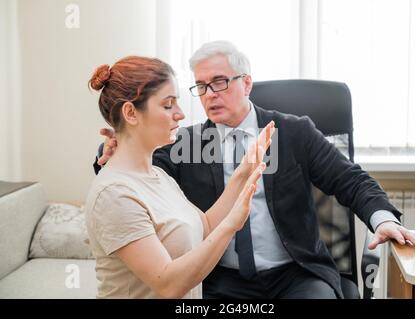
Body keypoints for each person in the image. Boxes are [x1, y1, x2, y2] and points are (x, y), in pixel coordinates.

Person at [94, 42, 415, 299]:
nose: (210, 95)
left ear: (247, 83)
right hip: (219, 280)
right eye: (201, 86)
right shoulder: (186, 141)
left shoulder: (292, 132)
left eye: (220, 82)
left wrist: (383, 219)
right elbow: (138, 173)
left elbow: (350, 180)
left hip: (295, 274)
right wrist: (110, 148)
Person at [85, 55, 275, 298]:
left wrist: (243, 172)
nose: (181, 114)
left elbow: (203, 228)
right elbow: (168, 284)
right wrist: (231, 225)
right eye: (168, 105)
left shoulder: (158, 176)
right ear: (131, 113)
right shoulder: (113, 194)